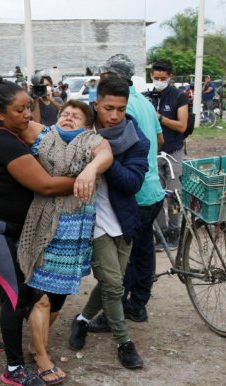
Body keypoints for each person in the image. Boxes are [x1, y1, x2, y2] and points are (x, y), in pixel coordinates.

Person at [0, 76, 97, 386]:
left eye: (28, 108)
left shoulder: (5, 132)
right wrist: (83, 179)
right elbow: (46, 185)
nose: (28, 115)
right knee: (16, 295)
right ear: (0, 113)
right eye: (20, 111)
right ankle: (13, 368)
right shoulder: (4, 143)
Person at [16, 101, 113, 385]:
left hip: (76, 230)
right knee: (41, 296)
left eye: (76, 116)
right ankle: (42, 357)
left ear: (87, 124)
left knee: (58, 296)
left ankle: (38, 343)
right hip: (45, 224)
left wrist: (90, 169)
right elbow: (11, 121)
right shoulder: (44, 136)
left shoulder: (94, 141)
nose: (68, 118)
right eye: (64, 114)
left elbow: (105, 154)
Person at [67, 75, 149, 369]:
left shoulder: (136, 139)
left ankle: (82, 319)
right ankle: (124, 343)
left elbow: (131, 184)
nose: (115, 116)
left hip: (123, 219)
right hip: (89, 220)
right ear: (96, 104)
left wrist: (102, 158)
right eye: (108, 108)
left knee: (108, 283)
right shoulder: (78, 130)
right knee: (114, 284)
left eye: (121, 109)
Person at [99, 53, 165, 325]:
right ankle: (138, 304)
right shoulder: (145, 103)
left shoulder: (122, 107)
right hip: (153, 188)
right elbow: (159, 139)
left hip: (133, 191)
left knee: (122, 255)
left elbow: (109, 152)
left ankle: (116, 311)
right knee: (143, 249)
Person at [150, 59, 190, 249]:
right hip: (153, 154)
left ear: (170, 77)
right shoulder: (148, 97)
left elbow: (182, 125)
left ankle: (175, 231)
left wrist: (160, 118)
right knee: (156, 195)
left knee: (174, 195)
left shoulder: (178, 97)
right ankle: (160, 233)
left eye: (163, 78)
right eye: (156, 77)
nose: (159, 81)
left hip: (173, 152)